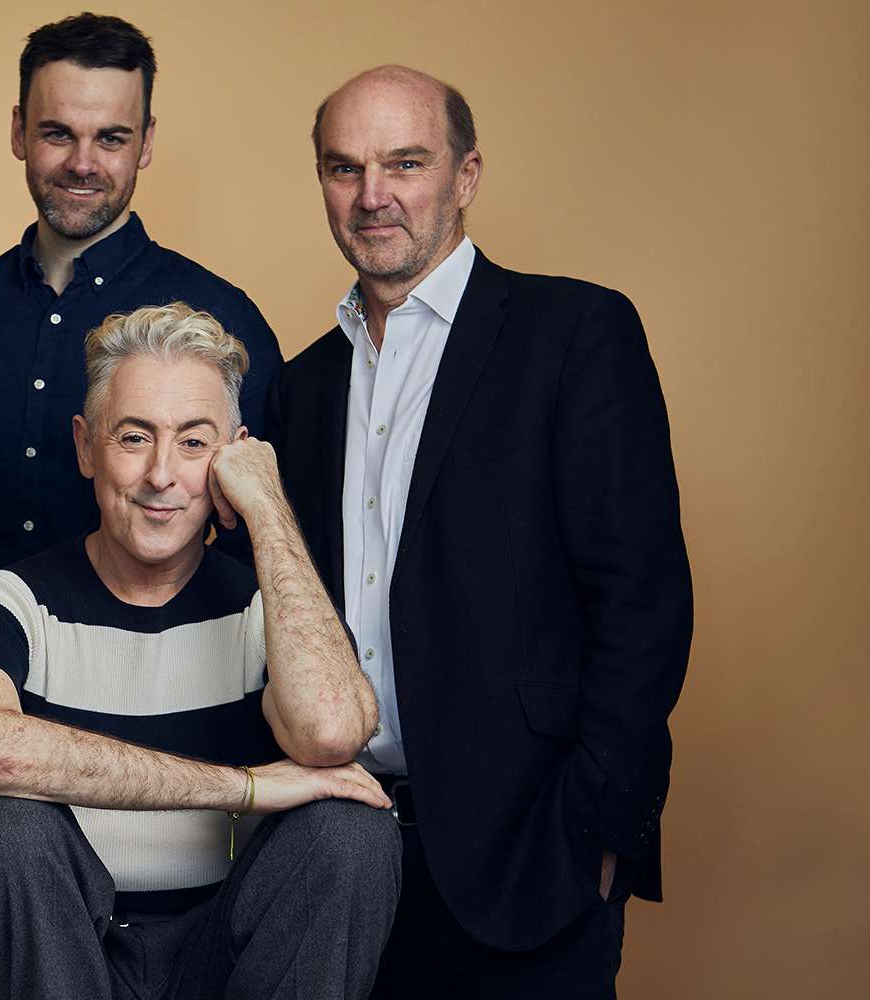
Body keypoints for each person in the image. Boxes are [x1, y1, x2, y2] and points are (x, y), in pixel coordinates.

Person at [267, 66, 692, 997]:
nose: (372, 195)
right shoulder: (301, 388)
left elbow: (643, 600)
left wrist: (599, 826)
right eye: (344, 168)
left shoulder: (575, 331)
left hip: (532, 849)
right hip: (346, 848)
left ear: (466, 176)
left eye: (405, 163)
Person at [0, 303, 401, 1000]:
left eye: (193, 443)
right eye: (133, 437)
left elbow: (332, 731)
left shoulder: (266, 615)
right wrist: (244, 788)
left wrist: (267, 505)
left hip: (224, 957)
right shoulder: (3, 600)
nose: (160, 475)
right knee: (0, 833)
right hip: (66, 955)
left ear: (235, 453)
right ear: (87, 446)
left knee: (351, 835)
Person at [0, 12, 283, 571]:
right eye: (57, 133)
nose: (82, 164)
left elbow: (259, 536)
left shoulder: (223, 316)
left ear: (145, 143)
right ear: (19, 131)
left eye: (111, 138)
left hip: (161, 653)